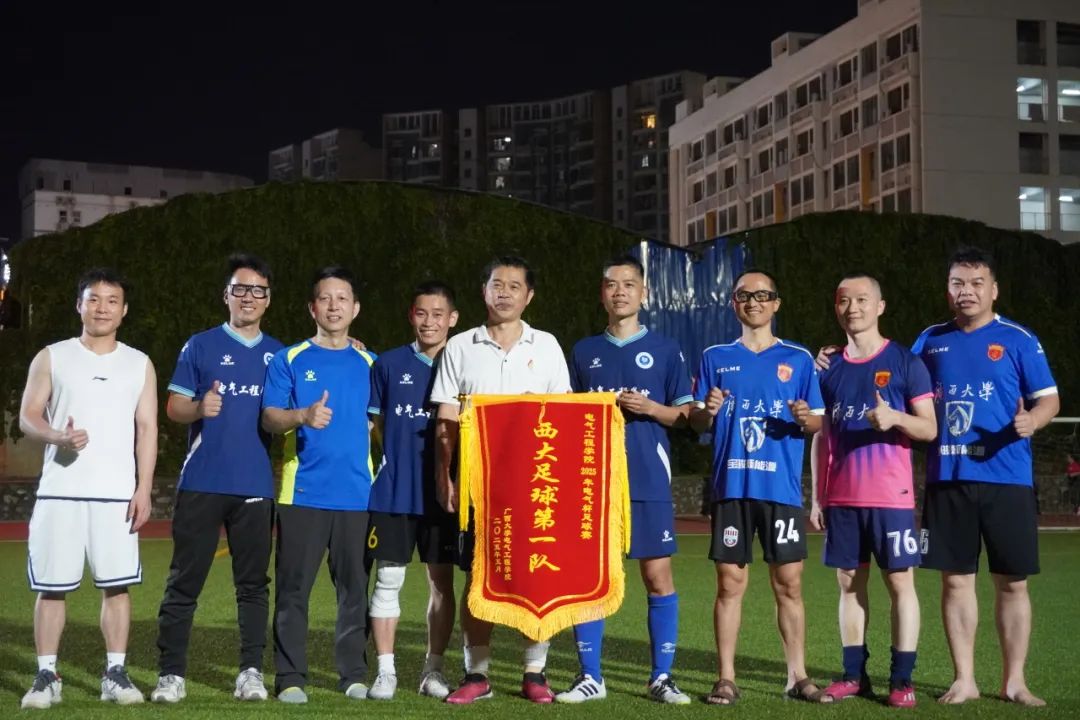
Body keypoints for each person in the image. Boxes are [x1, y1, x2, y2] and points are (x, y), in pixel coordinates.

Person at [912, 247, 1059, 706]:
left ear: (993, 290)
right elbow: (892, 377)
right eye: (958, 283)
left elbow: (1049, 399)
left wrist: (1033, 420)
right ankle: (965, 679)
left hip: (1007, 478)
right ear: (947, 290)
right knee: (955, 580)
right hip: (948, 476)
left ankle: (1014, 681)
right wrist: (833, 359)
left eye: (976, 283)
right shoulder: (929, 341)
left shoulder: (1019, 338)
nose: (967, 291)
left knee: (1013, 582)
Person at [430, 255, 571, 704]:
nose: (504, 292)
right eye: (497, 284)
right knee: (479, 577)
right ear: (484, 291)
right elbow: (446, 417)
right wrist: (445, 477)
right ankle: (477, 673)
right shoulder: (460, 346)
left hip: (536, 485)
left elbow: (564, 416)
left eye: (514, 286)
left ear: (529, 296)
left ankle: (535, 672)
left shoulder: (546, 346)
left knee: (538, 575)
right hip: (479, 485)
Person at [554, 255, 693, 704]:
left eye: (629, 284)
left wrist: (650, 408)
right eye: (611, 284)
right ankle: (590, 677)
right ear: (602, 294)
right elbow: (564, 413)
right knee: (590, 577)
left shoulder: (666, 349)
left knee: (657, 575)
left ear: (643, 293)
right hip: (592, 481)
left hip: (648, 479)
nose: (620, 292)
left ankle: (661, 677)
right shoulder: (583, 351)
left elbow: (686, 415)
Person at [688, 269, 827, 706]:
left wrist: (805, 418)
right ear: (734, 304)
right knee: (730, 584)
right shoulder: (715, 357)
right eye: (745, 296)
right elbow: (697, 421)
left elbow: (818, 422)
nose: (754, 302)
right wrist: (707, 411)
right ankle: (726, 678)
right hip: (732, 487)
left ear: (776, 303)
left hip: (780, 489)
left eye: (763, 295)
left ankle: (797, 675)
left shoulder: (798, 359)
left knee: (789, 584)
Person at [19, 268, 157, 709]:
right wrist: (57, 435)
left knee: (116, 587)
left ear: (124, 310)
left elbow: (147, 429)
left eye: (112, 300)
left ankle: (115, 673)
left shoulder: (139, 363)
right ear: (79, 305)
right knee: (51, 588)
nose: (102, 308)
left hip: (116, 495)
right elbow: (28, 416)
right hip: (59, 490)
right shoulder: (52, 356)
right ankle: (47, 675)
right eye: (93, 299)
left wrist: (144, 489)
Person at [150, 253, 283, 704]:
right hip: (202, 481)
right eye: (240, 289)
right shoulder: (200, 345)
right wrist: (198, 408)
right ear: (226, 295)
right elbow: (174, 407)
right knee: (184, 582)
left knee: (253, 586)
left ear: (268, 299)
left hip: (255, 486)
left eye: (257, 290)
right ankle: (171, 675)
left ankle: (250, 673)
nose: (248, 297)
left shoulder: (280, 355)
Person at [808, 273, 937, 708]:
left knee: (900, 583)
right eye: (844, 300)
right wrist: (818, 497)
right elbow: (822, 436)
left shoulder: (905, 362)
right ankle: (853, 676)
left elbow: (929, 428)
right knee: (849, 584)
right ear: (836, 307)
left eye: (862, 299)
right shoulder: (828, 368)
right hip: (843, 498)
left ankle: (902, 680)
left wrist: (895, 418)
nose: (853, 308)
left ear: (880, 306)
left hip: (890, 498)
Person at [261, 265, 378, 704]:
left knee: (354, 592)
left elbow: (381, 425)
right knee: (293, 590)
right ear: (312, 307)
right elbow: (270, 417)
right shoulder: (289, 359)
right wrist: (302, 416)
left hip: (358, 495)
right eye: (325, 298)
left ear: (356, 308)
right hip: (303, 493)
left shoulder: (371, 363)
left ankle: (353, 674)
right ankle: (290, 677)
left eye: (342, 298)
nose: (334, 306)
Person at [365, 281, 461, 701]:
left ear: (453, 319)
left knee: (442, 583)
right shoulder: (387, 364)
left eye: (438, 314)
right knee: (388, 579)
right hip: (394, 492)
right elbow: (374, 425)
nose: (429, 322)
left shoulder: (464, 364)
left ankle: (432, 670)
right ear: (411, 316)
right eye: (422, 313)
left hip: (445, 496)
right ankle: (385, 672)